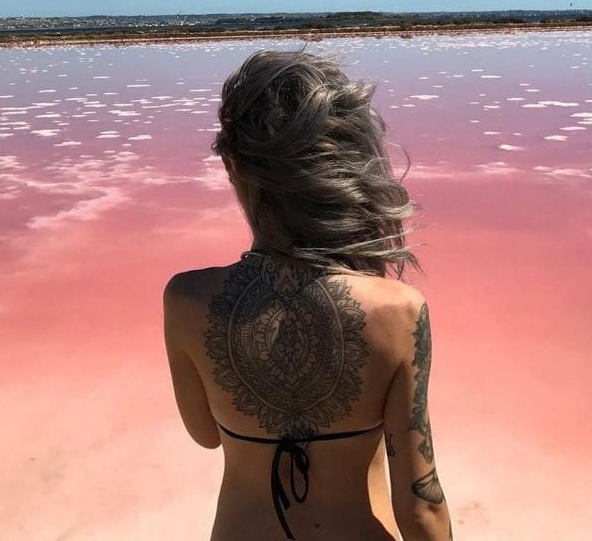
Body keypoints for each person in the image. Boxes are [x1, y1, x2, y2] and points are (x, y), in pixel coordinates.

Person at [164, 47, 453, 541]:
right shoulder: (398, 311)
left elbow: (206, 435)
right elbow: (420, 503)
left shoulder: (187, 299)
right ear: (350, 168)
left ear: (233, 166)